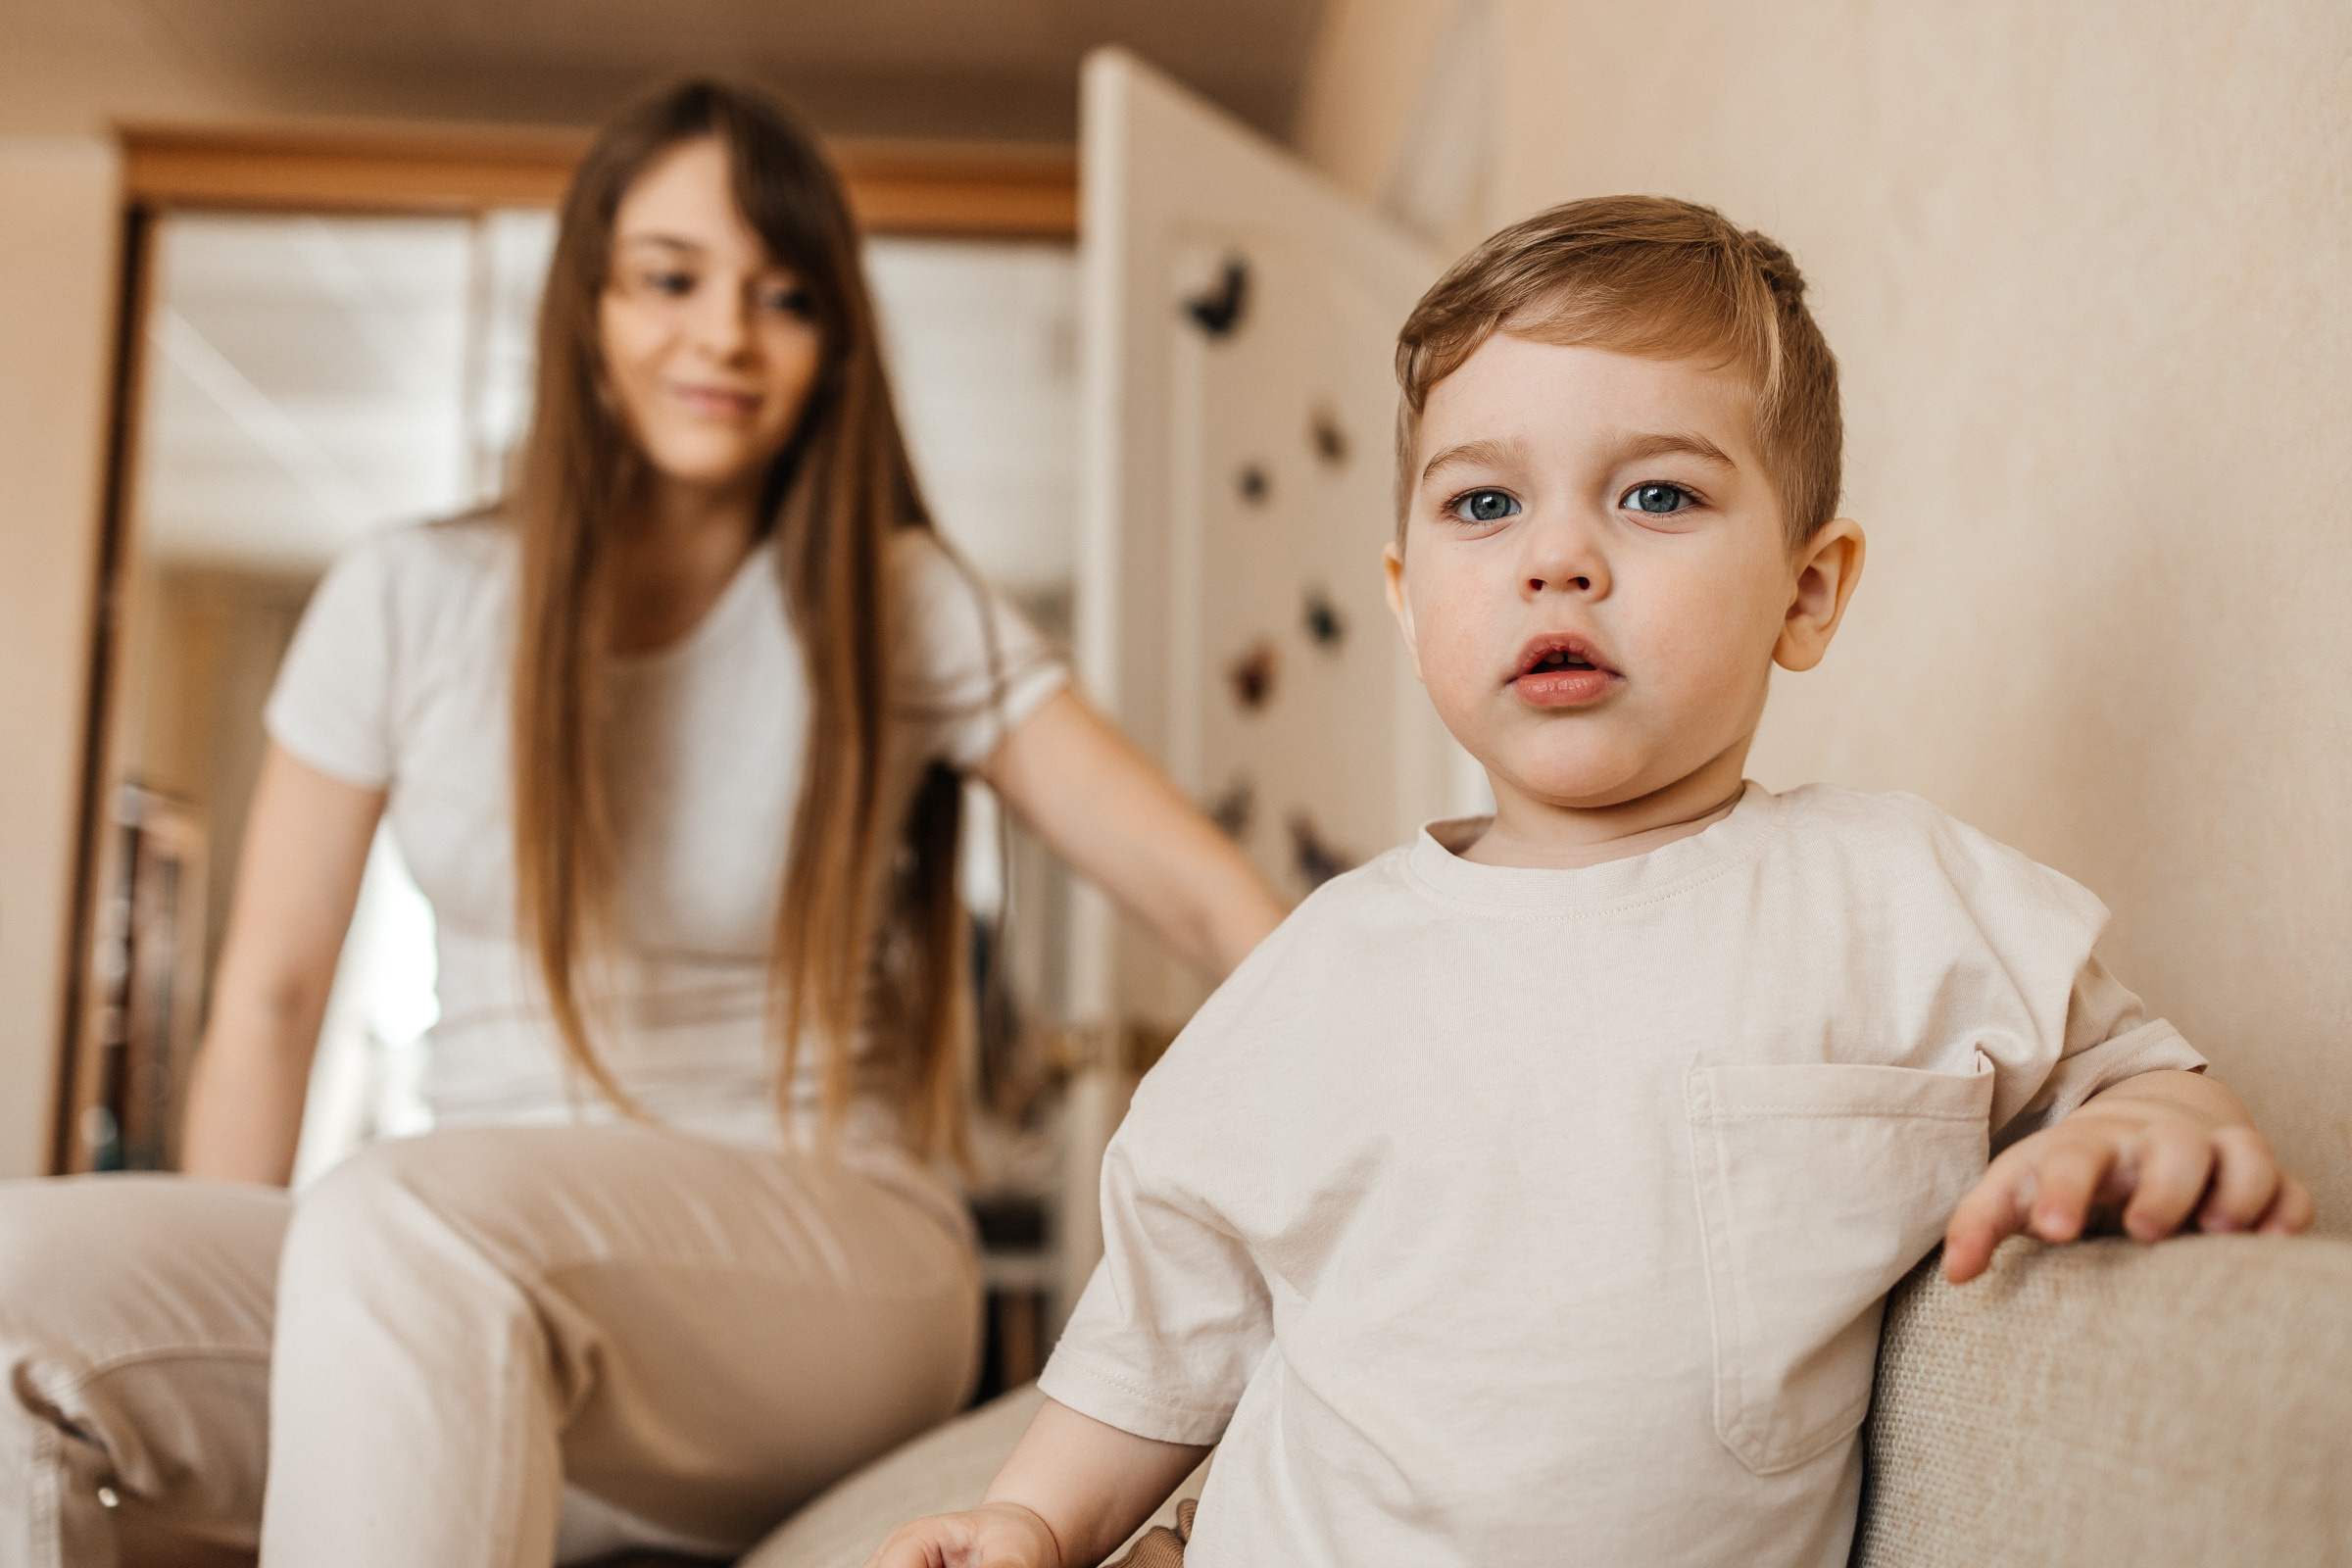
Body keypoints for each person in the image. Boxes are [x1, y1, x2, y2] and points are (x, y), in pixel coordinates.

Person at [864, 197, 2316, 1568]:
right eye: (1485, 507)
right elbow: (1163, 1324)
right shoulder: (1327, 966)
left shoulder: (1895, 897)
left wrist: (2158, 1126)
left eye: (1657, 494)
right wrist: (1035, 1526)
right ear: (1404, 592)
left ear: (1807, 591)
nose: (1559, 558)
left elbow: (2138, 1075)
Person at [0, 80, 1286, 1568]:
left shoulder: (897, 598)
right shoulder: (405, 595)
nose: (724, 336)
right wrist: (243, 1310)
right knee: (25, 1280)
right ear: (590, 306)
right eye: (672, 279)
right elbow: (274, 995)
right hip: (448, 1273)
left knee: (408, 1211)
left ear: (832, 345)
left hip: (825, 1266)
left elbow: (1211, 908)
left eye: (782, 296)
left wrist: (1351, 1152)